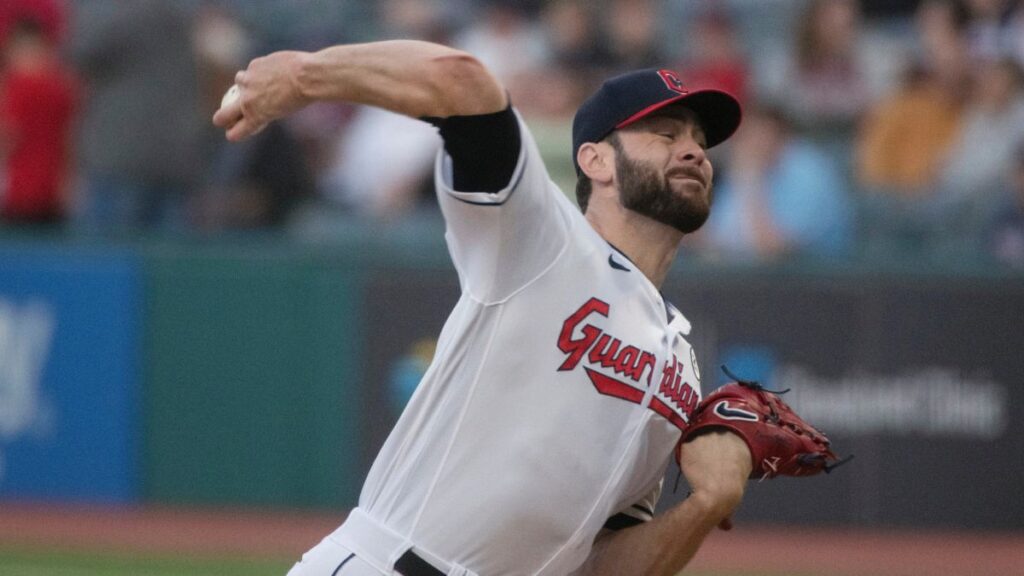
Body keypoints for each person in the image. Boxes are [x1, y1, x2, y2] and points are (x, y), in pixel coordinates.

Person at [215, 40, 750, 576]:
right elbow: (464, 82)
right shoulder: (543, 240)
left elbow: (604, 565)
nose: (694, 151)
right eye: (666, 133)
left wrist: (706, 506)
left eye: (701, 141)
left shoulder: (680, 357)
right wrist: (304, 75)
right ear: (596, 159)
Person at [0, 16, 78, 225]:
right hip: (55, 192)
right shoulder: (64, 87)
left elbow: (8, 137)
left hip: (19, 192)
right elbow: (70, 139)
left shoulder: (18, 87)